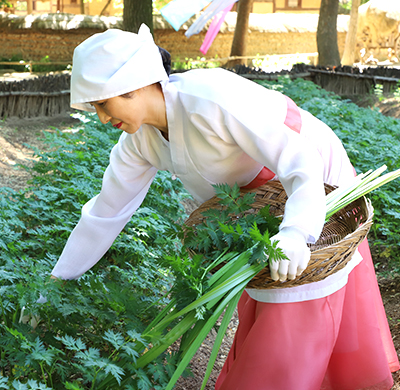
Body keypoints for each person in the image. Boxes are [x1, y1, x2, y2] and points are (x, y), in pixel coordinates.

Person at [49, 24, 399, 389]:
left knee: (295, 299)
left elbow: (299, 158)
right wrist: (57, 280)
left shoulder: (208, 98)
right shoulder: (139, 142)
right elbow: (107, 210)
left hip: (310, 181)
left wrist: (297, 231)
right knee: (270, 286)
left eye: (104, 104)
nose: (103, 118)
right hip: (258, 205)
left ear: (134, 84)